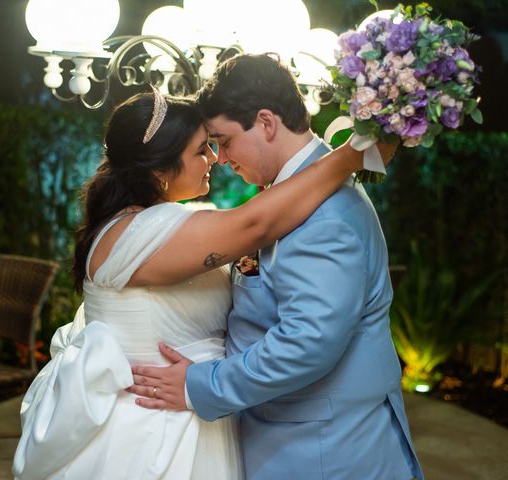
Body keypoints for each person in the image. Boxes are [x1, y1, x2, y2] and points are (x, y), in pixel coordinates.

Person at [11, 86, 394, 479]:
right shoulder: (139, 233)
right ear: (159, 170)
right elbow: (255, 222)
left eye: (216, 144)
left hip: (195, 415)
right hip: (151, 431)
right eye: (201, 150)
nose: (215, 158)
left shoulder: (161, 223)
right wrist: (351, 155)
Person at [129, 54, 424, 480]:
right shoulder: (297, 193)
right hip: (295, 436)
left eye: (224, 140)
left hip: (325, 452)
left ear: (266, 122)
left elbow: (307, 342)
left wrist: (200, 386)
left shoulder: (326, 217)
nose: (222, 157)